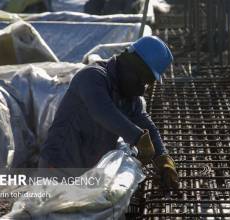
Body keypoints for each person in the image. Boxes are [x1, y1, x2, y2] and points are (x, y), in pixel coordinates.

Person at [39, 36, 178, 191]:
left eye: (146, 83)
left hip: (88, 173)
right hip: (58, 167)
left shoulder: (128, 95)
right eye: (142, 80)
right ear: (130, 66)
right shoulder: (92, 77)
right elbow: (103, 112)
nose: (141, 89)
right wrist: (138, 138)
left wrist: (163, 159)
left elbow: (147, 124)